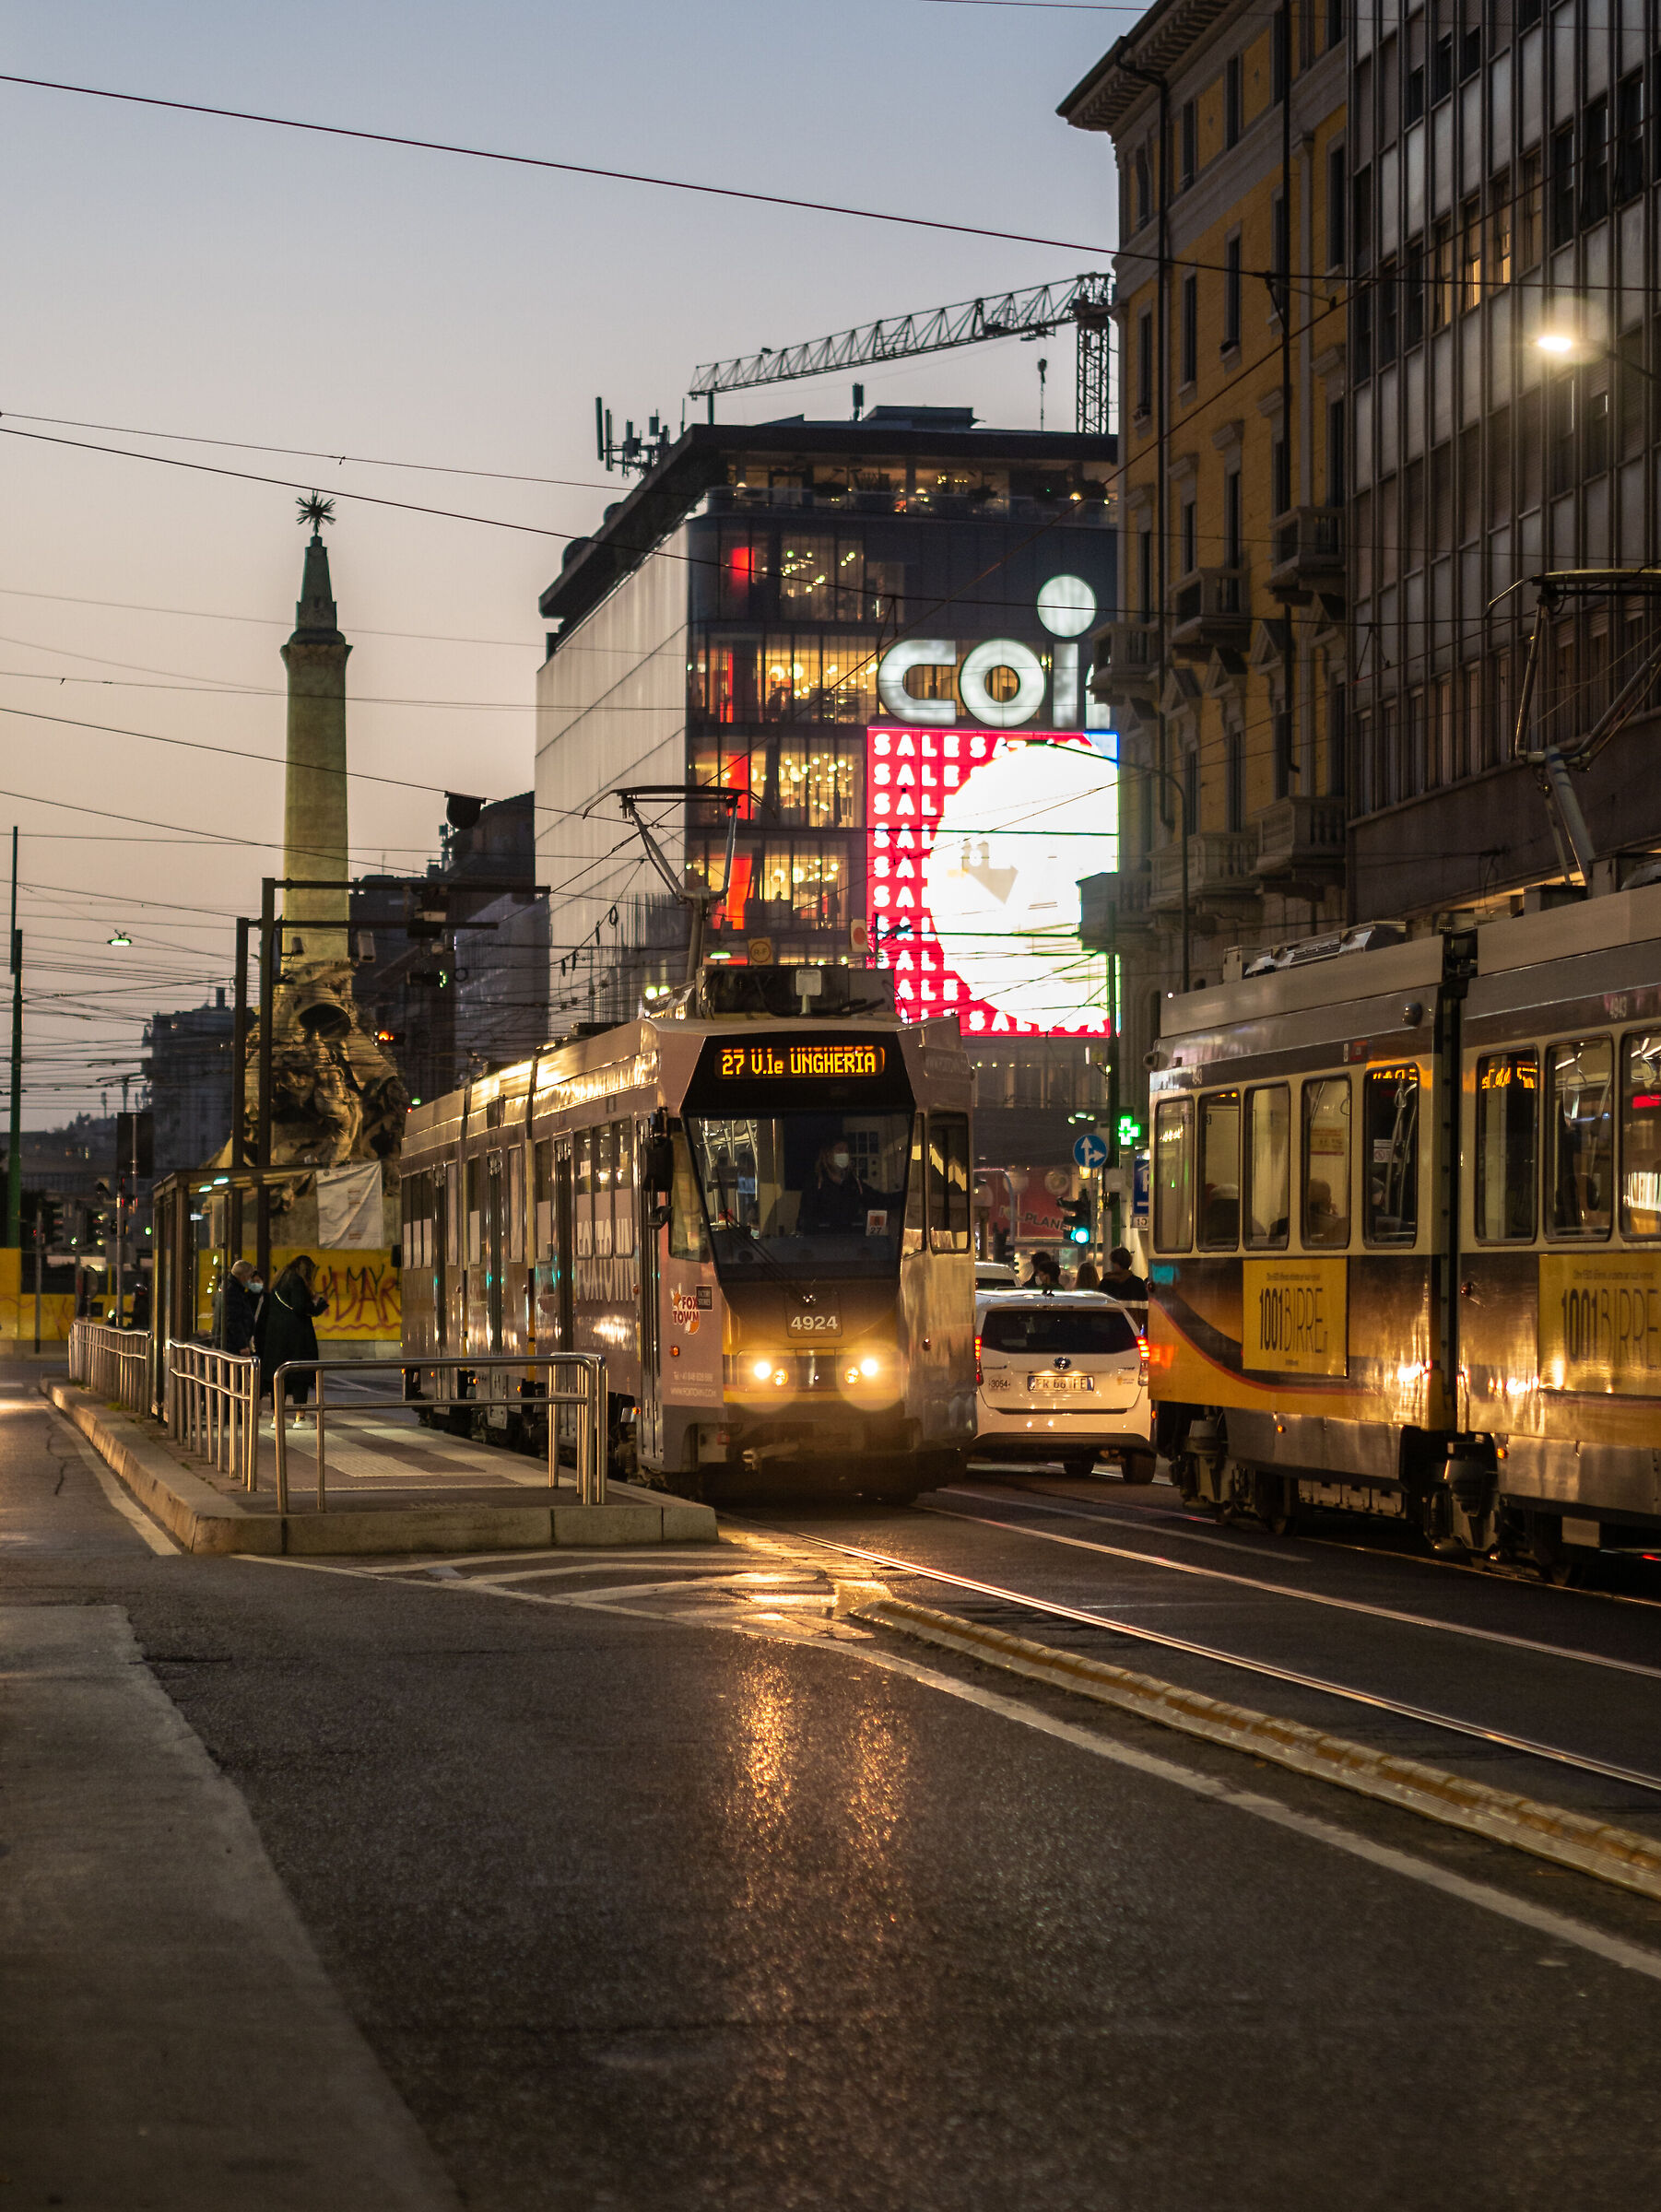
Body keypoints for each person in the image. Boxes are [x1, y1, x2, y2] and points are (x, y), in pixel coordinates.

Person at [258, 1254, 328, 1423]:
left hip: (276, 1338)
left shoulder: (279, 1282)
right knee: (299, 1376)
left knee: (279, 1378)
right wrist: (317, 1304)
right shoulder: (297, 1281)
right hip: (297, 1339)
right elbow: (299, 1307)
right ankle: (300, 1417)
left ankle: (277, 1417)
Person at [798, 1139, 878, 1234]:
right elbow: (805, 1217)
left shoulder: (854, 1182)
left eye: (847, 1151)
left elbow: (875, 1199)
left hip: (851, 1238)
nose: (844, 1154)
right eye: (839, 1150)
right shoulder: (816, 1183)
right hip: (822, 1239)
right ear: (828, 1154)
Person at [218, 1259, 262, 1355]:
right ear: (243, 1276)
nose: (250, 1280)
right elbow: (233, 1320)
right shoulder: (232, 1291)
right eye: (250, 1276)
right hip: (232, 1345)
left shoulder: (230, 1287)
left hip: (230, 1343)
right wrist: (242, 1345)